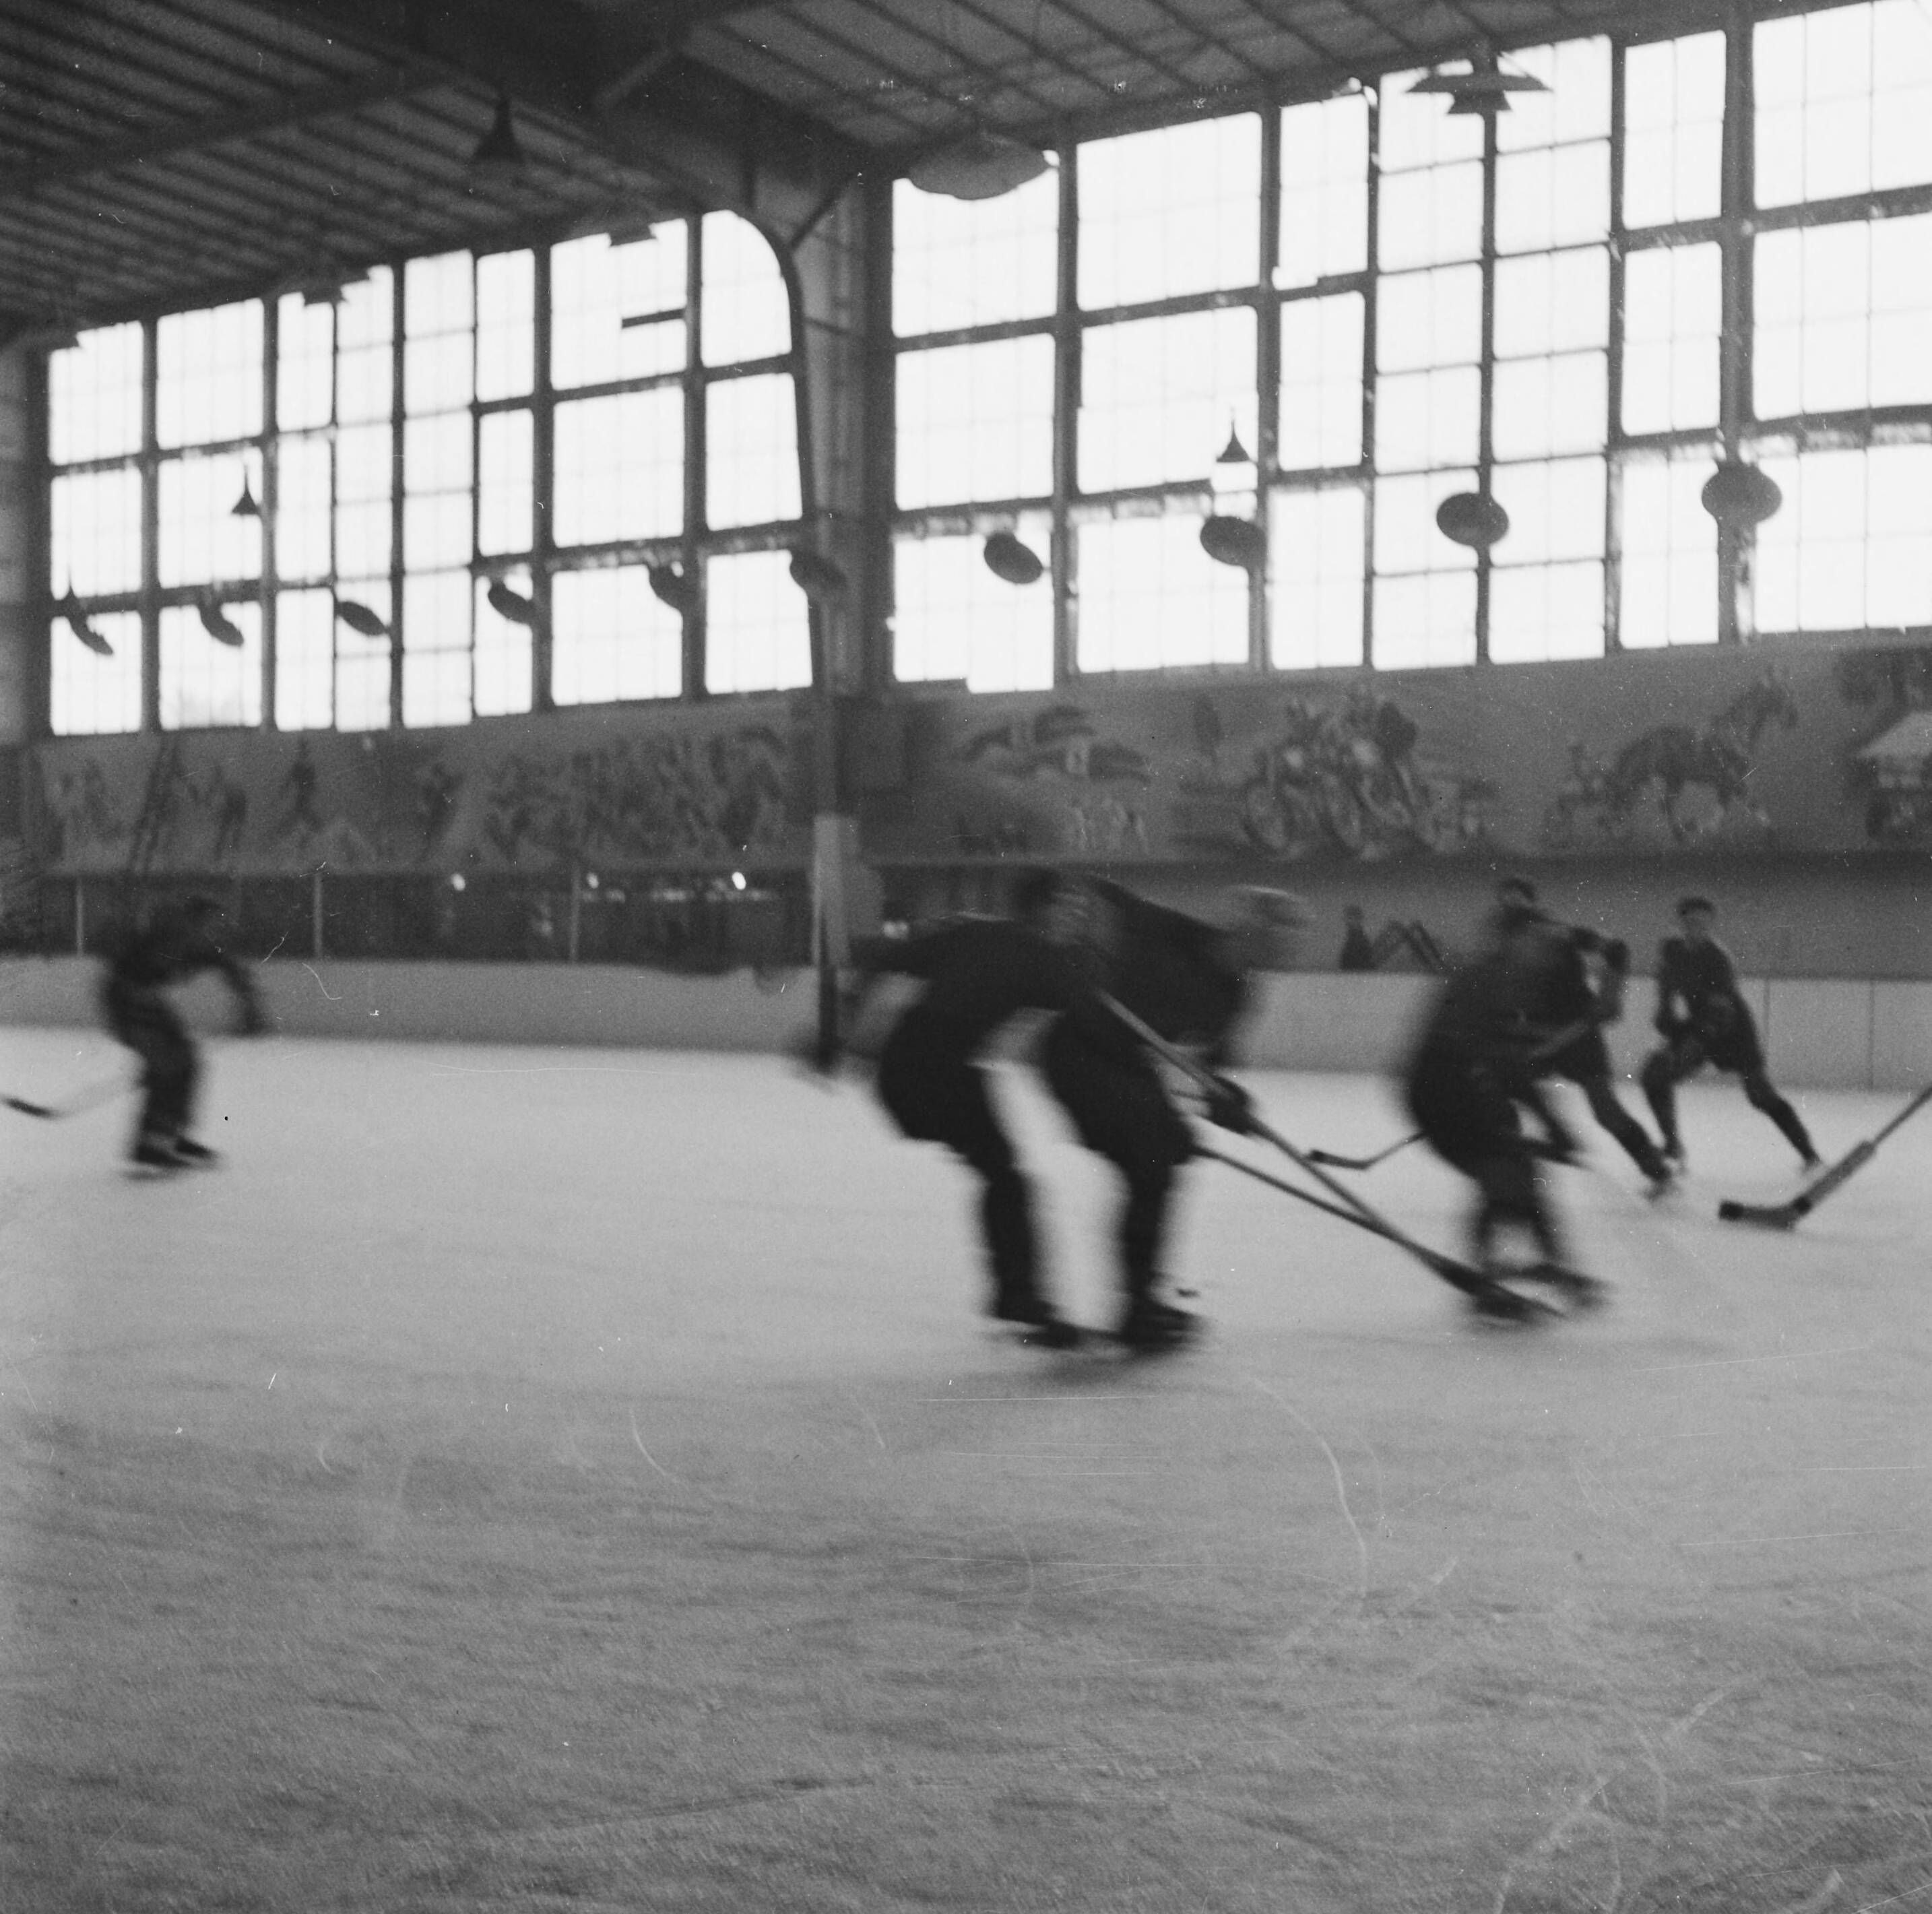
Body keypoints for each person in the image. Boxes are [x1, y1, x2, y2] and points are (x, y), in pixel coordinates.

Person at [820, 870, 1108, 1351]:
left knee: (1002, 1174)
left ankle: (1018, 1297)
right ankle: (1020, 1298)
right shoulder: (1049, 960)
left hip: (907, 1063)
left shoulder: (973, 932)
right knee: (1006, 1178)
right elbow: (1092, 1024)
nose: (1077, 920)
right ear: (1041, 908)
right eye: (1069, 908)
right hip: (940, 1069)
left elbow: (886, 961)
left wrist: (848, 1034)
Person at [1038, 882, 1303, 1351]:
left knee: (1163, 1159)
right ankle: (1139, 1308)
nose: (1289, 945)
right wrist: (1073, 942)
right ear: (1247, 927)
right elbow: (1093, 892)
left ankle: (1141, 1301)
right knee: (1154, 1158)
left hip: (1129, 1068)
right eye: (1280, 932)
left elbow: (1199, 1069)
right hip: (1078, 1053)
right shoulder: (1164, 928)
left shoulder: (1237, 994)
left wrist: (1226, 1101)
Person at [1401, 901, 1602, 1316]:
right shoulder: (1493, 978)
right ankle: (1489, 1277)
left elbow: (1507, 1062)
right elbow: (1504, 1062)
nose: (1547, 948)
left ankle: (1517, 1267)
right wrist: (1552, 1123)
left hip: (1460, 1086)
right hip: (1443, 1088)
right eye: (1537, 939)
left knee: (1516, 1168)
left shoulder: (1508, 976)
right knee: (1505, 1168)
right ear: (1511, 939)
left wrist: (1547, 1122)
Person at [1640, 896, 1819, 1173]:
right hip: (1698, 1023)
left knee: (1760, 1095)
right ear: (1680, 923)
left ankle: (1809, 1154)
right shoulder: (1671, 950)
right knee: (1654, 1075)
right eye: (1691, 922)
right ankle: (1672, 1147)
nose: (1697, 929)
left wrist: (1692, 1044)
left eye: (1703, 923)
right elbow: (1666, 987)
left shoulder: (1718, 958)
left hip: (1734, 1030)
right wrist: (1666, 1019)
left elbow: (1720, 1010)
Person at [100, 892, 268, 1171]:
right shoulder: (172, 935)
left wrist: (250, 1008)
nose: (215, 931)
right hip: (127, 1000)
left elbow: (230, 968)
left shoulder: (195, 942)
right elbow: (128, 969)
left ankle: (169, 1136)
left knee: (184, 1064)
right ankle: (151, 1146)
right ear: (195, 919)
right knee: (171, 1067)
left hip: (144, 1000)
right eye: (212, 923)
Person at [1338, 904, 1376, 972]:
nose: (1347, 921)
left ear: (1358, 920)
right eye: (1348, 918)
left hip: (1357, 974)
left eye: (1350, 918)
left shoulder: (1358, 939)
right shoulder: (1354, 936)